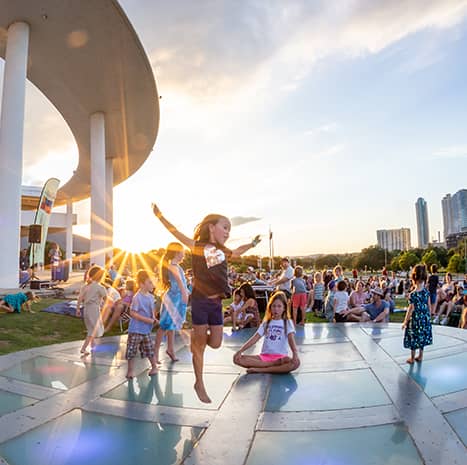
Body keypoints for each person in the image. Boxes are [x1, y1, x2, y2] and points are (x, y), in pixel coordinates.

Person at [152, 203, 261, 403]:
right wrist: (160, 216)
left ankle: (197, 339)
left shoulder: (223, 250)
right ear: (211, 227)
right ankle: (199, 382)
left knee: (217, 343)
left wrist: (252, 244)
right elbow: (175, 232)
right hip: (201, 302)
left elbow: (238, 252)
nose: (228, 232)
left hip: (216, 303)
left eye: (230, 229)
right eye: (225, 227)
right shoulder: (196, 247)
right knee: (200, 348)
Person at [233, 291, 300, 374]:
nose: (276, 309)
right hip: (264, 357)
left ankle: (261, 369)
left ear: (284, 308)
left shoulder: (287, 322)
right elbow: (255, 338)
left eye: (279, 306)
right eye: (274, 306)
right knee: (237, 359)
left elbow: (291, 339)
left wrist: (295, 353)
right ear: (270, 307)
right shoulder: (266, 322)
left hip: (280, 358)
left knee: (296, 363)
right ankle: (271, 365)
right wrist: (240, 350)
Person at [155, 242, 190, 363]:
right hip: (173, 299)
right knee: (164, 325)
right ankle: (155, 355)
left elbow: (183, 283)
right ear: (176, 253)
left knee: (172, 325)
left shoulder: (176, 266)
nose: (184, 255)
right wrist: (185, 295)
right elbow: (180, 283)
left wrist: (185, 293)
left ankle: (170, 349)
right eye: (182, 252)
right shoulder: (173, 266)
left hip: (176, 297)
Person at [126, 269, 159, 379]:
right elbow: (133, 313)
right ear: (141, 284)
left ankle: (154, 367)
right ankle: (130, 371)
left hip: (146, 330)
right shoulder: (137, 297)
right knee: (132, 350)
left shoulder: (151, 297)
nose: (152, 284)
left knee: (149, 349)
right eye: (149, 282)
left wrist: (154, 319)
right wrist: (147, 320)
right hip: (136, 329)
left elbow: (151, 312)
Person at [402, 264, 433, 364]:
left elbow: (411, 309)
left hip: (415, 319)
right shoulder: (426, 292)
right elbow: (429, 306)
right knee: (422, 336)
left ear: (413, 279)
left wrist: (405, 321)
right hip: (424, 318)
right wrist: (429, 316)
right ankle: (420, 356)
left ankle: (412, 357)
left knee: (414, 337)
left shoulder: (413, 294)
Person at [76, 265, 107, 355]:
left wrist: (78, 309)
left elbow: (80, 298)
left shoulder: (85, 286)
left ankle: (91, 347)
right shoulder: (100, 287)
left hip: (86, 309)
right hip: (94, 310)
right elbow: (106, 299)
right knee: (95, 330)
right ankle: (86, 348)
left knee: (91, 329)